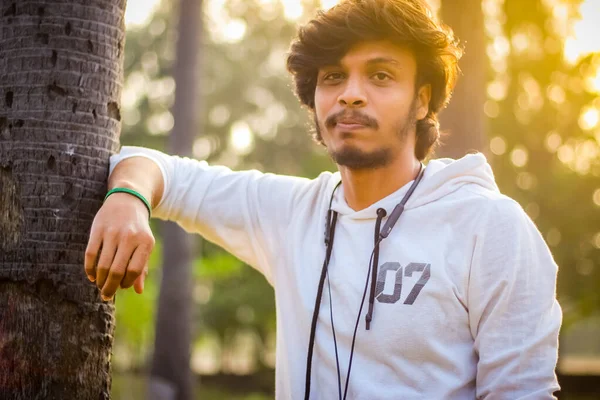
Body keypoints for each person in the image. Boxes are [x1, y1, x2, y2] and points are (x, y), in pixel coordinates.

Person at [85, 0, 562, 398]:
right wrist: (128, 198)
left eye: (380, 76)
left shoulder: (491, 227)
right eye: (333, 77)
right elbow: (158, 168)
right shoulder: (292, 214)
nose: (350, 95)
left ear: (422, 100)